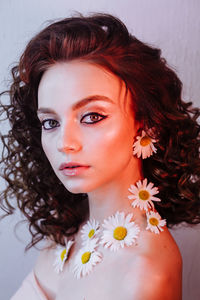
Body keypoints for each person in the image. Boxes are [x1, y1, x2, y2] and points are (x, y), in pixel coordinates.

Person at [0, 12, 199, 300]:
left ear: (146, 124)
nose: (64, 143)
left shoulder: (143, 275)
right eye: (51, 122)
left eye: (92, 116)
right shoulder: (66, 234)